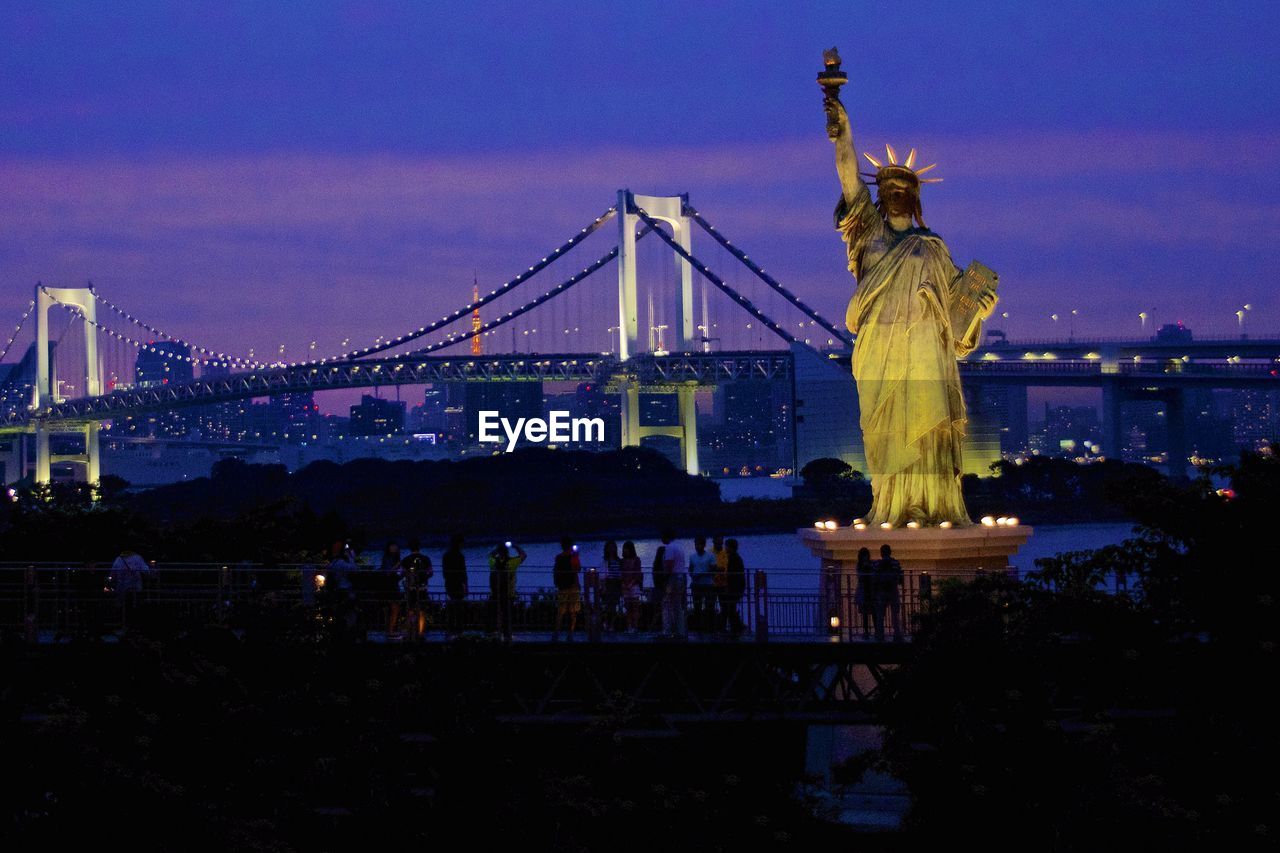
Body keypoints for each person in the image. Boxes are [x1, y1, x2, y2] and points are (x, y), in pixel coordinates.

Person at [488, 541, 526, 641]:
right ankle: (507, 635)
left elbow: (490, 555)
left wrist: (497, 548)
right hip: (508, 594)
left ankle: (494, 634)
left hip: (495, 594)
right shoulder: (511, 563)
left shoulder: (493, 562)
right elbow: (523, 555)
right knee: (507, 616)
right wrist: (516, 546)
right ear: (507, 552)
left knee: (495, 615)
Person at [398, 538, 433, 641]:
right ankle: (421, 633)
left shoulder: (405, 560)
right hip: (422, 588)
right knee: (422, 611)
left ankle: (409, 632)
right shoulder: (426, 558)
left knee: (410, 610)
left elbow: (401, 573)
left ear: (410, 547)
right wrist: (424, 577)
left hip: (410, 589)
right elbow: (430, 572)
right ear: (419, 547)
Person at [109, 549, 150, 631]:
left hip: (122, 588)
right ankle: (134, 627)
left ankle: (123, 625)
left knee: (123, 608)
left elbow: (112, 574)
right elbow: (146, 571)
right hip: (135, 587)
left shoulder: (119, 559)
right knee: (134, 608)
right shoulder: (137, 558)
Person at [552, 538, 581, 641]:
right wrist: (576, 557)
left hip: (562, 587)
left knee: (561, 611)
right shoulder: (573, 556)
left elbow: (556, 571)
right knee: (572, 612)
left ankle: (556, 633)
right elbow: (577, 569)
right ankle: (570, 633)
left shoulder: (558, 557)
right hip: (572, 586)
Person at [659, 531, 687, 638]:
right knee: (677, 605)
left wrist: (665, 578)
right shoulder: (679, 547)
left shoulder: (669, 548)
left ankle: (667, 631)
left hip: (673, 579)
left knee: (666, 604)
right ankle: (680, 631)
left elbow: (669, 564)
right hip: (680, 577)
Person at [688, 536, 718, 633]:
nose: (698, 546)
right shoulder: (692, 556)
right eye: (696, 544)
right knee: (697, 607)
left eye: (700, 544)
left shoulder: (710, 556)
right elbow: (690, 569)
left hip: (708, 585)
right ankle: (698, 628)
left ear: (704, 545)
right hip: (696, 585)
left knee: (710, 607)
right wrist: (693, 576)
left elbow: (714, 571)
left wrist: (701, 574)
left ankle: (710, 628)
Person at [876, 543, 904, 641]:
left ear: (881, 553)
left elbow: (875, 575)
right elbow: (899, 575)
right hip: (893, 590)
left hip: (882, 590)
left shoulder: (878, 563)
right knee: (895, 614)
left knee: (880, 614)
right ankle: (897, 634)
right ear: (890, 552)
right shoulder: (895, 563)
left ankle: (880, 635)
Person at [442, 534, 468, 636]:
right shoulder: (460, 556)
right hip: (457, 583)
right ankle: (458, 628)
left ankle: (451, 627)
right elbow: (463, 571)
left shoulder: (446, 555)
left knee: (452, 605)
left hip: (449, 582)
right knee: (458, 606)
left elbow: (445, 571)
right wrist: (465, 585)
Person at [720, 538, 746, 635]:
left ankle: (735, 628)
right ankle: (735, 627)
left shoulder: (733, 558)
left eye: (726, 546)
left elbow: (732, 575)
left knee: (730, 608)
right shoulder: (735, 557)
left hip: (734, 588)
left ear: (731, 547)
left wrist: (727, 586)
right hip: (737, 587)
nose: (725, 548)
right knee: (731, 608)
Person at [619, 540, 643, 634]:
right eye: (624, 548)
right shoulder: (622, 561)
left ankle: (635, 627)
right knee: (628, 607)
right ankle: (629, 627)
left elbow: (637, 573)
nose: (625, 550)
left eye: (627, 548)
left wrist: (631, 583)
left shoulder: (637, 560)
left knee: (635, 607)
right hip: (625, 586)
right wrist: (623, 584)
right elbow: (620, 573)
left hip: (634, 586)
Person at [381, 541, 403, 637]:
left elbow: (394, 574)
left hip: (393, 585)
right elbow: (388, 572)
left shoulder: (394, 558)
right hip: (389, 586)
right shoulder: (388, 558)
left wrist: (401, 575)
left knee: (394, 608)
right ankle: (390, 631)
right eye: (392, 546)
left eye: (396, 546)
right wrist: (397, 565)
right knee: (394, 608)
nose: (394, 548)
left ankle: (390, 630)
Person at [854, 547, 877, 640]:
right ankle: (866, 632)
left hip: (870, 590)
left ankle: (876, 631)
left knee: (874, 613)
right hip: (864, 591)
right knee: (865, 614)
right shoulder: (860, 565)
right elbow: (860, 577)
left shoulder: (871, 564)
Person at [600, 540, 622, 631]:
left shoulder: (619, 560)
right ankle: (606, 623)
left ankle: (611, 625)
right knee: (607, 605)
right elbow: (602, 575)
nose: (611, 549)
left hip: (617, 584)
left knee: (614, 605)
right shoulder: (605, 561)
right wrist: (603, 586)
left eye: (613, 547)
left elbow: (621, 572)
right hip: (608, 584)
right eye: (609, 547)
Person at [649, 541, 669, 632]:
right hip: (662, 590)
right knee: (663, 611)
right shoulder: (663, 568)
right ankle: (662, 628)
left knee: (657, 612)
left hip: (656, 590)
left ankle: (652, 628)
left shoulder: (655, 566)